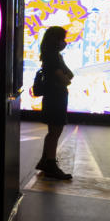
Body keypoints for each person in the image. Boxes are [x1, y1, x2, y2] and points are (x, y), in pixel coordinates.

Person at [36, 26, 75, 179]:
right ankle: (50, 164)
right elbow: (66, 79)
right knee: (55, 132)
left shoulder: (52, 56)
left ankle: (45, 161)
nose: (64, 42)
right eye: (62, 39)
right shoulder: (53, 57)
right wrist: (65, 77)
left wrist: (66, 76)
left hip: (53, 96)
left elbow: (69, 76)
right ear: (56, 40)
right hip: (56, 97)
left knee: (52, 132)